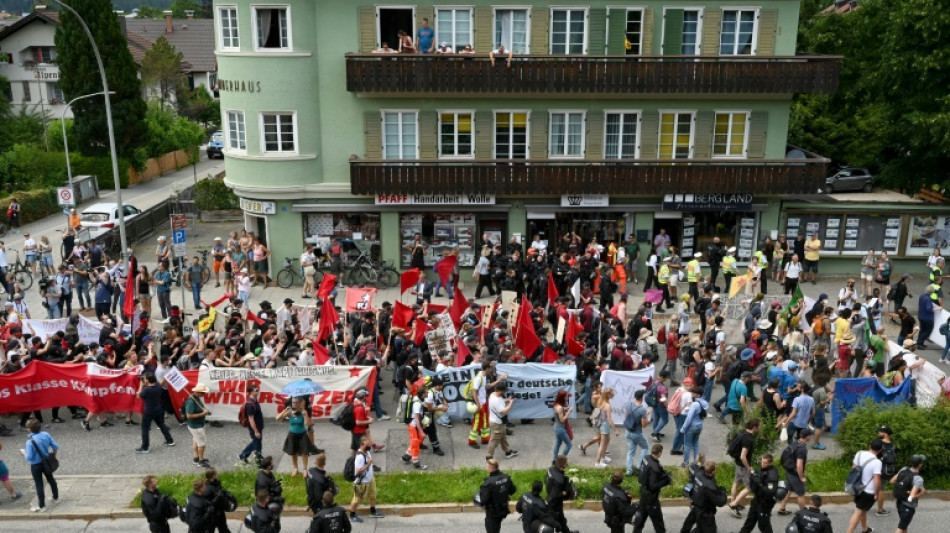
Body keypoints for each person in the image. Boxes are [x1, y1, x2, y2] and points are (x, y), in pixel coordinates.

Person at [845, 439, 884, 533]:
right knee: (858, 512)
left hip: (857, 488)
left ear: (869, 446)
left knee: (862, 509)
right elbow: (877, 480)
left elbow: (853, 468)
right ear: (880, 450)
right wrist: (877, 493)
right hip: (868, 491)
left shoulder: (859, 453)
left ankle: (865, 529)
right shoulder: (877, 462)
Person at [633, 443, 672, 533]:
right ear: (659, 453)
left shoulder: (646, 458)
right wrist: (666, 481)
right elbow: (653, 485)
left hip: (643, 492)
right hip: (651, 497)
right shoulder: (655, 468)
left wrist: (663, 474)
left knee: (641, 517)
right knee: (658, 520)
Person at [737, 453, 781, 533]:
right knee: (749, 522)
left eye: (765, 463)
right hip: (756, 500)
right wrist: (753, 479)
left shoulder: (772, 475)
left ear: (770, 463)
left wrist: (760, 484)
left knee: (763, 525)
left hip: (765, 503)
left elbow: (770, 492)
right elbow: (753, 486)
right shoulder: (760, 469)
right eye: (762, 461)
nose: (762, 464)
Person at [23, 419, 59, 512]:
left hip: (36, 465)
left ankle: (42, 506)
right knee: (51, 479)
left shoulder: (30, 442)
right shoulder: (46, 434)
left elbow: (29, 457)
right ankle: (55, 498)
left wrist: (24, 453)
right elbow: (55, 446)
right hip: (46, 462)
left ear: (30, 429)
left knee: (39, 484)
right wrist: (53, 455)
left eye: (27, 428)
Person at [277, 396, 318, 476]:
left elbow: (307, 424)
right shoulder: (290, 412)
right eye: (293, 402)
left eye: (296, 403)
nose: (294, 404)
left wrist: (305, 415)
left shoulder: (303, 412)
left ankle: (305, 469)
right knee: (293, 452)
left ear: (300, 403)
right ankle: (295, 468)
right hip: (292, 434)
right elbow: (277, 418)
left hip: (302, 434)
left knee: (304, 453)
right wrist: (284, 411)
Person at [727, 418, 761, 517]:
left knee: (736, 483)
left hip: (738, 464)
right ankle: (733, 505)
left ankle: (734, 502)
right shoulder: (748, 439)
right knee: (749, 487)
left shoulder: (742, 433)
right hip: (743, 466)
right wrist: (748, 468)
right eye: (759, 426)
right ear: (754, 427)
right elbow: (743, 456)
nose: (760, 428)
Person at [777, 427, 813, 515]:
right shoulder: (802, 449)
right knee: (801, 494)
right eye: (810, 435)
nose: (811, 437)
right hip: (795, 474)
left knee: (789, 490)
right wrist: (801, 477)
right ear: (807, 437)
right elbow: (799, 464)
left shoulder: (795, 443)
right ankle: (803, 513)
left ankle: (782, 508)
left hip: (789, 471)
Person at [136, 373, 175, 454]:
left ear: (147, 380)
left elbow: (138, 395)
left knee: (145, 428)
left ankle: (145, 447)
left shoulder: (147, 390)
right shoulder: (157, 385)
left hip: (149, 411)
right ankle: (170, 440)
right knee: (161, 424)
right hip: (158, 409)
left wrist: (140, 385)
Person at [685, 461, 728, 533]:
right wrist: (723, 492)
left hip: (696, 507)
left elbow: (694, 467)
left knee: (699, 529)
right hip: (706, 514)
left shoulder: (698, 474)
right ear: (713, 472)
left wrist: (700, 462)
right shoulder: (709, 487)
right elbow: (720, 502)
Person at [349, 436, 384, 523]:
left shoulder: (367, 451)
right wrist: (368, 464)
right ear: (361, 445)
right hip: (362, 482)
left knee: (373, 494)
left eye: (369, 444)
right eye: (367, 445)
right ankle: (352, 514)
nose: (369, 446)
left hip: (370, 479)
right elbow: (357, 472)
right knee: (357, 499)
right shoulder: (360, 457)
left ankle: (373, 510)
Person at [478, 457, 516, 533]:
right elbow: (513, 490)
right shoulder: (506, 478)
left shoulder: (488, 484)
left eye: (487, 466)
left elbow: (483, 501)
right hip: (503, 509)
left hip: (493, 513)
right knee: (497, 527)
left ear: (490, 468)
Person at [892, 454, 926, 533]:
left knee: (904, 525)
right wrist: (921, 493)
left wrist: (903, 489)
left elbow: (892, 481)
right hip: (908, 506)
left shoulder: (904, 469)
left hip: (899, 502)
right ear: (920, 464)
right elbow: (911, 497)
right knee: (900, 528)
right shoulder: (918, 479)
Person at [546, 455, 578, 533]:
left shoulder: (550, 469)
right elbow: (555, 495)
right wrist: (565, 492)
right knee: (554, 523)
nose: (566, 465)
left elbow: (547, 481)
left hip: (549, 497)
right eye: (566, 463)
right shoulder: (559, 480)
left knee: (562, 520)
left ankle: (565, 531)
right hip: (555, 504)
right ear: (563, 465)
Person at [486, 381, 518, 459]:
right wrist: (511, 403)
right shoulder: (496, 401)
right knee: (494, 440)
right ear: (500, 391)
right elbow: (503, 411)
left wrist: (507, 399)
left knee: (503, 438)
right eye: (504, 391)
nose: (505, 392)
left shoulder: (493, 394)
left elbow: (501, 401)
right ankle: (489, 457)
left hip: (498, 422)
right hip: (497, 423)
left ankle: (508, 452)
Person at [624, 389, 650, 476]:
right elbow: (644, 425)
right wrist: (647, 415)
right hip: (637, 433)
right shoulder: (642, 410)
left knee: (630, 452)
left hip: (628, 431)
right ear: (642, 398)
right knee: (645, 447)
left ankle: (629, 471)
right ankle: (639, 466)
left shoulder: (629, 404)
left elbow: (626, 416)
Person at [184, 383, 211, 468]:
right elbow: (189, 415)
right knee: (201, 443)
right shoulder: (191, 402)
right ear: (198, 392)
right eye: (203, 393)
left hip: (196, 425)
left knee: (196, 441)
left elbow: (200, 408)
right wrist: (203, 414)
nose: (204, 394)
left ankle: (196, 457)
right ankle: (201, 460)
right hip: (196, 426)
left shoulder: (196, 398)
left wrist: (205, 411)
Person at [680, 386, 708, 468]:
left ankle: (685, 463)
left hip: (691, 427)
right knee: (695, 444)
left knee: (687, 445)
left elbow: (689, 418)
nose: (692, 394)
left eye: (694, 393)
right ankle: (697, 462)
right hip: (699, 425)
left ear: (698, 395)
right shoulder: (704, 403)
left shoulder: (695, 404)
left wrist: (683, 428)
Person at [603, 469, 636, 533]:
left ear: (611, 478)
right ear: (622, 480)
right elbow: (626, 511)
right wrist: (635, 508)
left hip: (608, 516)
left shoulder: (606, 485)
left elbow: (612, 491)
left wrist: (622, 491)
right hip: (616, 521)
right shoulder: (620, 497)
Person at [239, 383, 264, 465]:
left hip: (258, 426)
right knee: (257, 444)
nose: (258, 392)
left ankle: (245, 455)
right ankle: (258, 461)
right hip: (255, 427)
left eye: (258, 390)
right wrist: (256, 431)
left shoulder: (254, 401)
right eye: (256, 391)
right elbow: (251, 419)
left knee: (256, 442)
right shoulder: (250, 405)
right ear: (251, 392)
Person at [203, 468, 233, 533]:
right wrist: (217, 499)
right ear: (213, 475)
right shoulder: (207, 489)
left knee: (223, 529)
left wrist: (225, 493)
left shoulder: (216, 482)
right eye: (216, 473)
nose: (217, 474)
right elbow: (206, 503)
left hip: (220, 512)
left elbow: (219, 489)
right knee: (210, 530)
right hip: (212, 515)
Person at [552, 389, 574, 461]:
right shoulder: (560, 408)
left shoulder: (556, 404)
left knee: (558, 444)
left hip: (557, 427)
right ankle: (561, 460)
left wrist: (566, 409)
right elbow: (562, 420)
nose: (566, 398)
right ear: (562, 398)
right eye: (565, 397)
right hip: (560, 428)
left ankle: (555, 459)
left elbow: (559, 413)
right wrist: (569, 412)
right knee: (569, 445)